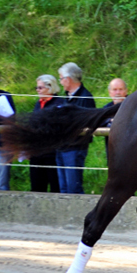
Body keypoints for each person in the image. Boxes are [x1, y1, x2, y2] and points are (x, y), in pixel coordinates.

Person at [56, 62, 95, 194]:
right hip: (62, 146)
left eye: (61, 78)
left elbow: (86, 122)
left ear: (68, 79)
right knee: (64, 188)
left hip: (75, 147)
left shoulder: (86, 97)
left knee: (73, 187)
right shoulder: (66, 98)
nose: (60, 82)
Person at [29, 75, 64, 193]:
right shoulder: (38, 104)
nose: (38, 90)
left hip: (51, 152)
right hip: (36, 151)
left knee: (55, 186)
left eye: (40, 88)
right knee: (36, 186)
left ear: (50, 88)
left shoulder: (59, 103)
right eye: (37, 88)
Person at [103, 78, 128, 159]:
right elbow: (100, 121)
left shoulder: (133, 105)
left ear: (126, 91)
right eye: (114, 90)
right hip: (112, 153)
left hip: (130, 151)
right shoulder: (106, 108)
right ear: (110, 92)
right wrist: (109, 121)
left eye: (120, 89)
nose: (117, 93)